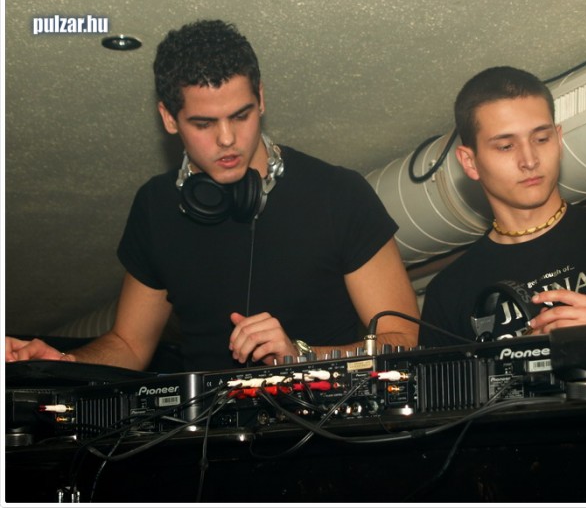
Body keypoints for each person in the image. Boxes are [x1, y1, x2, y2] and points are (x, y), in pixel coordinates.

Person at [6, 19, 419, 371]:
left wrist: (302, 356)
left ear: (261, 99)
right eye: (203, 124)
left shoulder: (338, 194)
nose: (227, 139)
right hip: (207, 434)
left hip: (325, 430)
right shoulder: (156, 207)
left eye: (241, 115)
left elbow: (404, 341)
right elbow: (129, 345)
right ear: (169, 118)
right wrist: (65, 362)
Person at [419, 66, 586, 347]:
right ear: (470, 162)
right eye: (506, 146)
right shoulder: (449, 292)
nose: (529, 160)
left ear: (559, 140)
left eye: (541, 139)